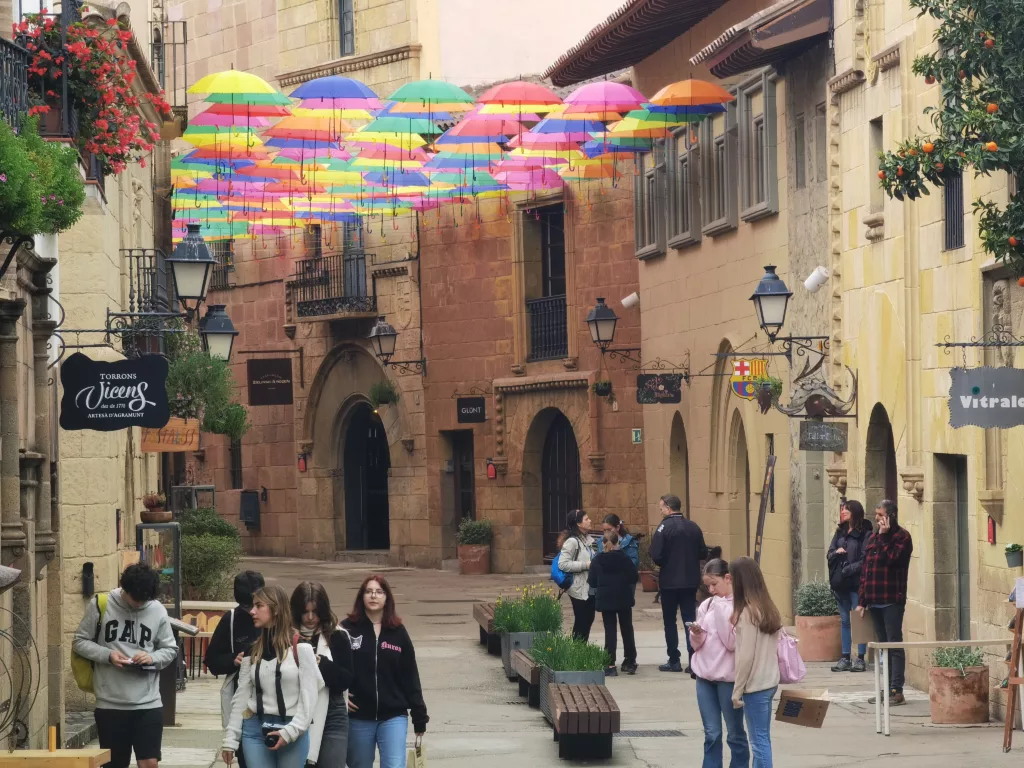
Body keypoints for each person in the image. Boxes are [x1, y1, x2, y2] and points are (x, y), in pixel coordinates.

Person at [72, 562, 179, 768]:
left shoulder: (157, 610)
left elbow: (170, 649)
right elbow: (79, 642)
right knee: (114, 764)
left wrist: (152, 658)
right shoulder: (100, 604)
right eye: (135, 599)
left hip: (148, 703)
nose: (139, 604)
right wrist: (108, 654)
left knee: (149, 762)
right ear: (125, 589)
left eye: (144, 599)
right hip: (111, 703)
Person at [221, 585, 322, 768]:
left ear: (275, 609)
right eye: (253, 606)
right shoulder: (252, 651)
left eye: (259, 606)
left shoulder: (302, 648)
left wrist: (290, 731)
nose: (252, 611)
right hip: (255, 728)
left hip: (292, 728)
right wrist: (230, 739)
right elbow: (241, 697)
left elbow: (310, 697)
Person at [342, 575, 428, 768]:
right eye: (369, 591)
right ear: (361, 597)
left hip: (393, 716)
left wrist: (419, 716)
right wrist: (340, 695)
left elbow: (410, 676)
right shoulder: (346, 629)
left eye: (379, 592)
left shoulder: (398, 632)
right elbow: (333, 667)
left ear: (387, 598)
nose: (373, 596)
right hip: (358, 717)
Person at [689, 559, 749, 768]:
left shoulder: (739, 606)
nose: (711, 589)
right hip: (704, 676)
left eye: (714, 584)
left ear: (728, 578)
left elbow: (731, 642)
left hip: (728, 679)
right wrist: (696, 634)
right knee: (711, 733)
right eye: (707, 585)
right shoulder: (707, 605)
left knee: (735, 733)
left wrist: (723, 609)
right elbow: (698, 645)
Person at [291, 582, 354, 768]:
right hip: (295, 707)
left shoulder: (337, 636)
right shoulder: (286, 636)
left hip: (332, 711)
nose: (310, 618)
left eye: (315, 612)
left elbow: (345, 679)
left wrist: (320, 663)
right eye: (305, 612)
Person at [207, 571, 266, 768]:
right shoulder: (231, 620)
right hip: (244, 704)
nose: (252, 612)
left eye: (257, 605)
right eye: (247, 606)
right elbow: (212, 660)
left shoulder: (279, 620)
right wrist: (234, 660)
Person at [857, 499, 914, 705]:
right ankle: (886, 688)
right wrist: (862, 600)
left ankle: (896, 690)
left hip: (891, 599)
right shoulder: (873, 537)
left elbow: (891, 560)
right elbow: (866, 569)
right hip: (874, 600)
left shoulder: (902, 537)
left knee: (894, 644)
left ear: (891, 516)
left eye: (880, 515)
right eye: (877, 514)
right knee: (883, 647)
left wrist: (884, 537)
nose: (877, 518)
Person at [730, 557, 781, 768]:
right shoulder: (768, 608)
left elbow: (745, 657)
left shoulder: (747, 613)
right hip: (769, 681)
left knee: (759, 742)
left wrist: (737, 690)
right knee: (763, 739)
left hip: (755, 685)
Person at [650, 493, 708, 674]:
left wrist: (667, 562)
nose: (661, 511)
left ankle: (674, 659)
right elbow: (703, 552)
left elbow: (655, 554)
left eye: (661, 508)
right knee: (690, 620)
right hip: (690, 581)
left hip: (669, 582)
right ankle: (693, 660)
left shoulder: (663, 528)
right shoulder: (693, 527)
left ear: (668, 507)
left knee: (670, 621)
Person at [827, 500, 872, 672]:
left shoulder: (865, 533)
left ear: (854, 512)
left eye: (846, 509)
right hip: (840, 584)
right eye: (842, 509)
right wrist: (835, 553)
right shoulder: (840, 531)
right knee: (845, 620)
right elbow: (829, 553)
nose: (843, 511)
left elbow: (865, 559)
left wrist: (848, 569)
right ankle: (845, 657)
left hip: (856, 583)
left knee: (858, 619)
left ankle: (860, 658)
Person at [588, 530, 639, 676]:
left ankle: (610, 664)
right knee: (627, 628)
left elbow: (592, 581)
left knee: (610, 630)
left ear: (603, 543)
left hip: (606, 598)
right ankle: (630, 661)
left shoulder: (597, 560)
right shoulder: (625, 558)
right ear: (618, 542)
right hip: (623, 596)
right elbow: (634, 577)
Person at [558, 509, 596, 641]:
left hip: (588, 588)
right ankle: (576, 655)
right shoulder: (572, 542)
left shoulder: (585, 540)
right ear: (579, 524)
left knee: (587, 621)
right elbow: (563, 564)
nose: (590, 520)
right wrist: (586, 565)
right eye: (586, 519)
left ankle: (580, 654)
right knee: (582, 623)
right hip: (578, 589)